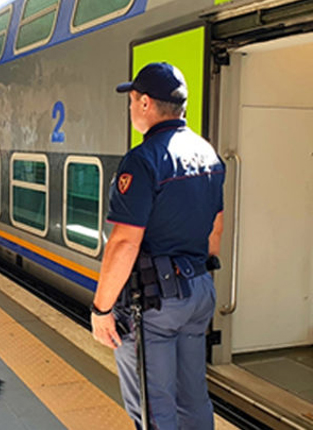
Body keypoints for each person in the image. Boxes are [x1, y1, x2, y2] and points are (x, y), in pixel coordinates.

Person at [90, 63, 225, 429]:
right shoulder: (208, 154)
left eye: (132, 100)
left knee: (153, 407)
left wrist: (101, 309)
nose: (132, 107)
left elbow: (123, 243)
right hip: (199, 293)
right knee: (193, 398)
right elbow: (215, 230)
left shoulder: (144, 159)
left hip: (155, 302)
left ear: (146, 103)